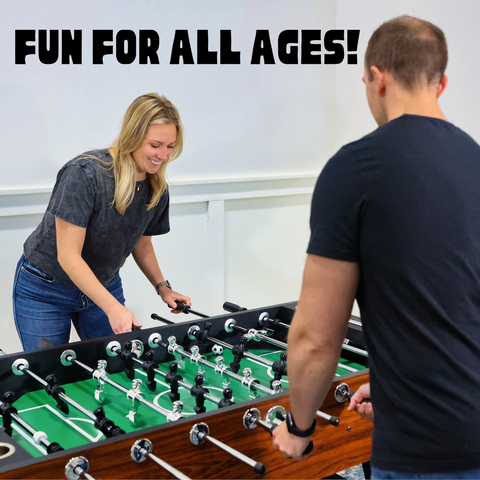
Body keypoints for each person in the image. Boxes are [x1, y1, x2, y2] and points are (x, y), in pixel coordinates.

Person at [272, 15, 480, 479]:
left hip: (424, 453)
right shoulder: (476, 160)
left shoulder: (355, 168)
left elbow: (316, 337)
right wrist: (395, 389)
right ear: (441, 84)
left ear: (377, 78)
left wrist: (299, 427)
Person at [13, 93, 191, 352]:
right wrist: (113, 308)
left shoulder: (157, 188)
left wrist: (163, 288)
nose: (163, 155)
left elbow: (142, 245)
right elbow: (68, 256)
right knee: (49, 372)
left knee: (116, 366)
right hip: (46, 288)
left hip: (103, 284)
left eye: (170, 146)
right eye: (155, 145)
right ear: (133, 136)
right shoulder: (84, 174)